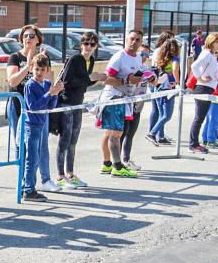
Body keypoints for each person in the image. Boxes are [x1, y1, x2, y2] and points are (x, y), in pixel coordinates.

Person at [57, 30, 104, 187]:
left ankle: (70, 173)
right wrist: (89, 78)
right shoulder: (75, 59)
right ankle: (60, 175)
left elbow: (84, 82)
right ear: (80, 45)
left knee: (73, 140)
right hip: (67, 103)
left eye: (92, 44)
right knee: (65, 139)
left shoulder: (90, 60)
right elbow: (66, 82)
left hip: (78, 103)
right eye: (86, 43)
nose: (88, 47)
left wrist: (95, 79)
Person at [97, 29, 145, 178]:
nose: (134, 42)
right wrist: (126, 81)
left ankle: (106, 164)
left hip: (126, 98)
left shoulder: (137, 58)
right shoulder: (119, 57)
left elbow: (135, 77)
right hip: (114, 97)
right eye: (132, 39)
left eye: (137, 40)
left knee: (109, 133)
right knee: (115, 134)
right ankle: (117, 167)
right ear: (126, 39)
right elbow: (106, 78)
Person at [21, 53, 64, 202]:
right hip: (31, 126)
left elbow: (50, 106)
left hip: (41, 124)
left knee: (37, 157)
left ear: (47, 70)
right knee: (31, 159)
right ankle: (28, 189)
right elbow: (34, 106)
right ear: (32, 68)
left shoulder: (46, 84)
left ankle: (29, 187)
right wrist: (49, 94)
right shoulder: (30, 85)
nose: (39, 73)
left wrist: (55, 93)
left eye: (42, 70)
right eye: (36, 69)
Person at [7, 25, 46, 140]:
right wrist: (28, 65)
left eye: (32, 36)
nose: (28, 38)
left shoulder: (42, 58)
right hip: (18, 103)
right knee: (19, 141)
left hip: (36, 103)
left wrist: (40, 65)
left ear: (38, 39)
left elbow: (48, 82)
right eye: (25, 36)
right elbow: (12, 82)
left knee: (36, 141)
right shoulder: (15, 57)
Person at [189, 32, 218, 154]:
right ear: (211, 42)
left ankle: (196, 143)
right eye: (217, 41)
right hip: (202, 88)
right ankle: (193, 144)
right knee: (199, 118)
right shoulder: (207, 54)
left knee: (201, 118)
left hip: (208, 88)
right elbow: (194, 65)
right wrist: (200, 78)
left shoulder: (211, 55)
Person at [120, 42, 152, 170]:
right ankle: (116, 162)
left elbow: (155, 83)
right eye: (142, 53)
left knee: (130, 134)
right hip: (126, 105)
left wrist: (155, 78)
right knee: (121, 133)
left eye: (146, 54)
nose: (144, 56)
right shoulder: (130, 67)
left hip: (138, 107)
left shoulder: (146, 68)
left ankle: (126, 159)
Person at [147, 35, 181, 146]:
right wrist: (178, 82)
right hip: (168, 88)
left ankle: (160, 136)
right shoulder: (175, 58)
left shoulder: (159, 57)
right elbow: (175, 69)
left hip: (159, 87)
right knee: (167, 115)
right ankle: (152, 133)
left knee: (162, 114)